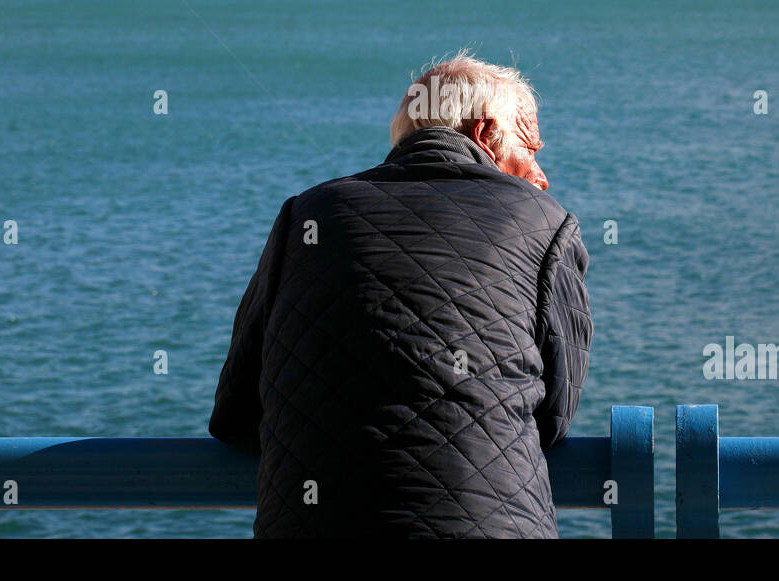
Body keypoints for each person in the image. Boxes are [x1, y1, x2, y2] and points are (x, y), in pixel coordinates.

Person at [209, 51, 592, 537]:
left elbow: (234, 415)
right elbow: (553, 416)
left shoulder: (307, 215)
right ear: (484, 132)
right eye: (531, 148)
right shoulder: (547, 222)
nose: (542, 176)